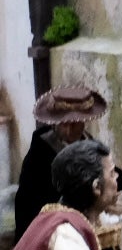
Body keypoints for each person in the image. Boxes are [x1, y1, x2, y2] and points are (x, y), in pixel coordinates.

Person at [13, 88, 107, 234]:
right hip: (52, 233)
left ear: (84, 122)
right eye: (64, 124)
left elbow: (109, 176)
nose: (69, 130)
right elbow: (27, 208)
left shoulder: (91, 148)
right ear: (54, 123)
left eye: (75, 124)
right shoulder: (38, 157)